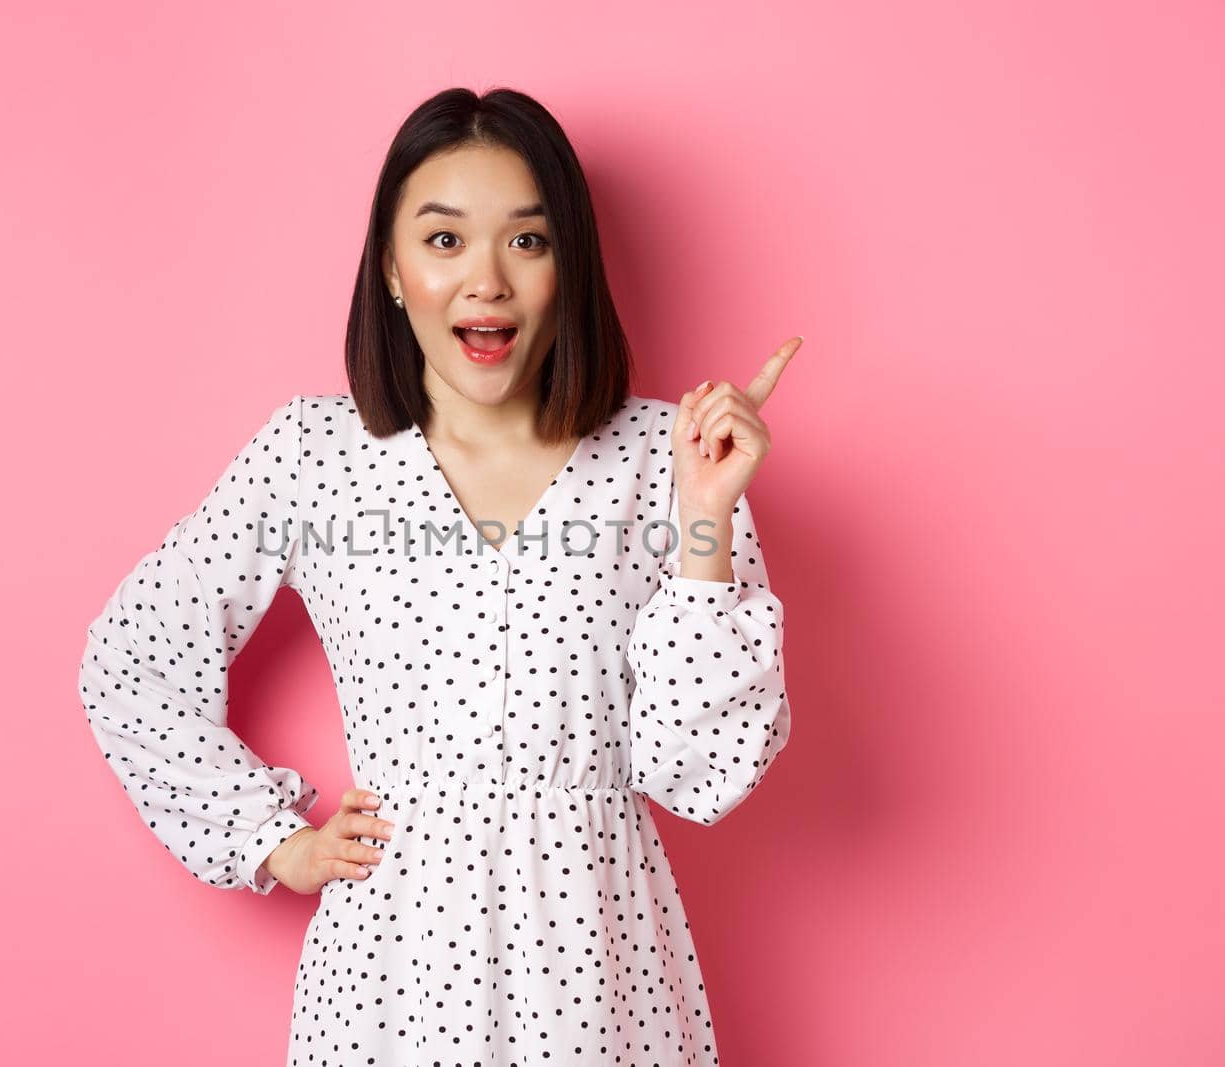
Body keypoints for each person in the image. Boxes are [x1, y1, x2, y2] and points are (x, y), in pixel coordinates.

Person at [78, 85, 801, 1065]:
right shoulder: (312, 454)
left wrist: (706, 519)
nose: (486, 283)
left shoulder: (660, 457)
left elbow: (697, 775)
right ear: (389, 265)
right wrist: (264, 836)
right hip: (393, 968)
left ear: (568, 265)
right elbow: (133, 658)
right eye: (445, 240)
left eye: (528, 241)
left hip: (595, 960)